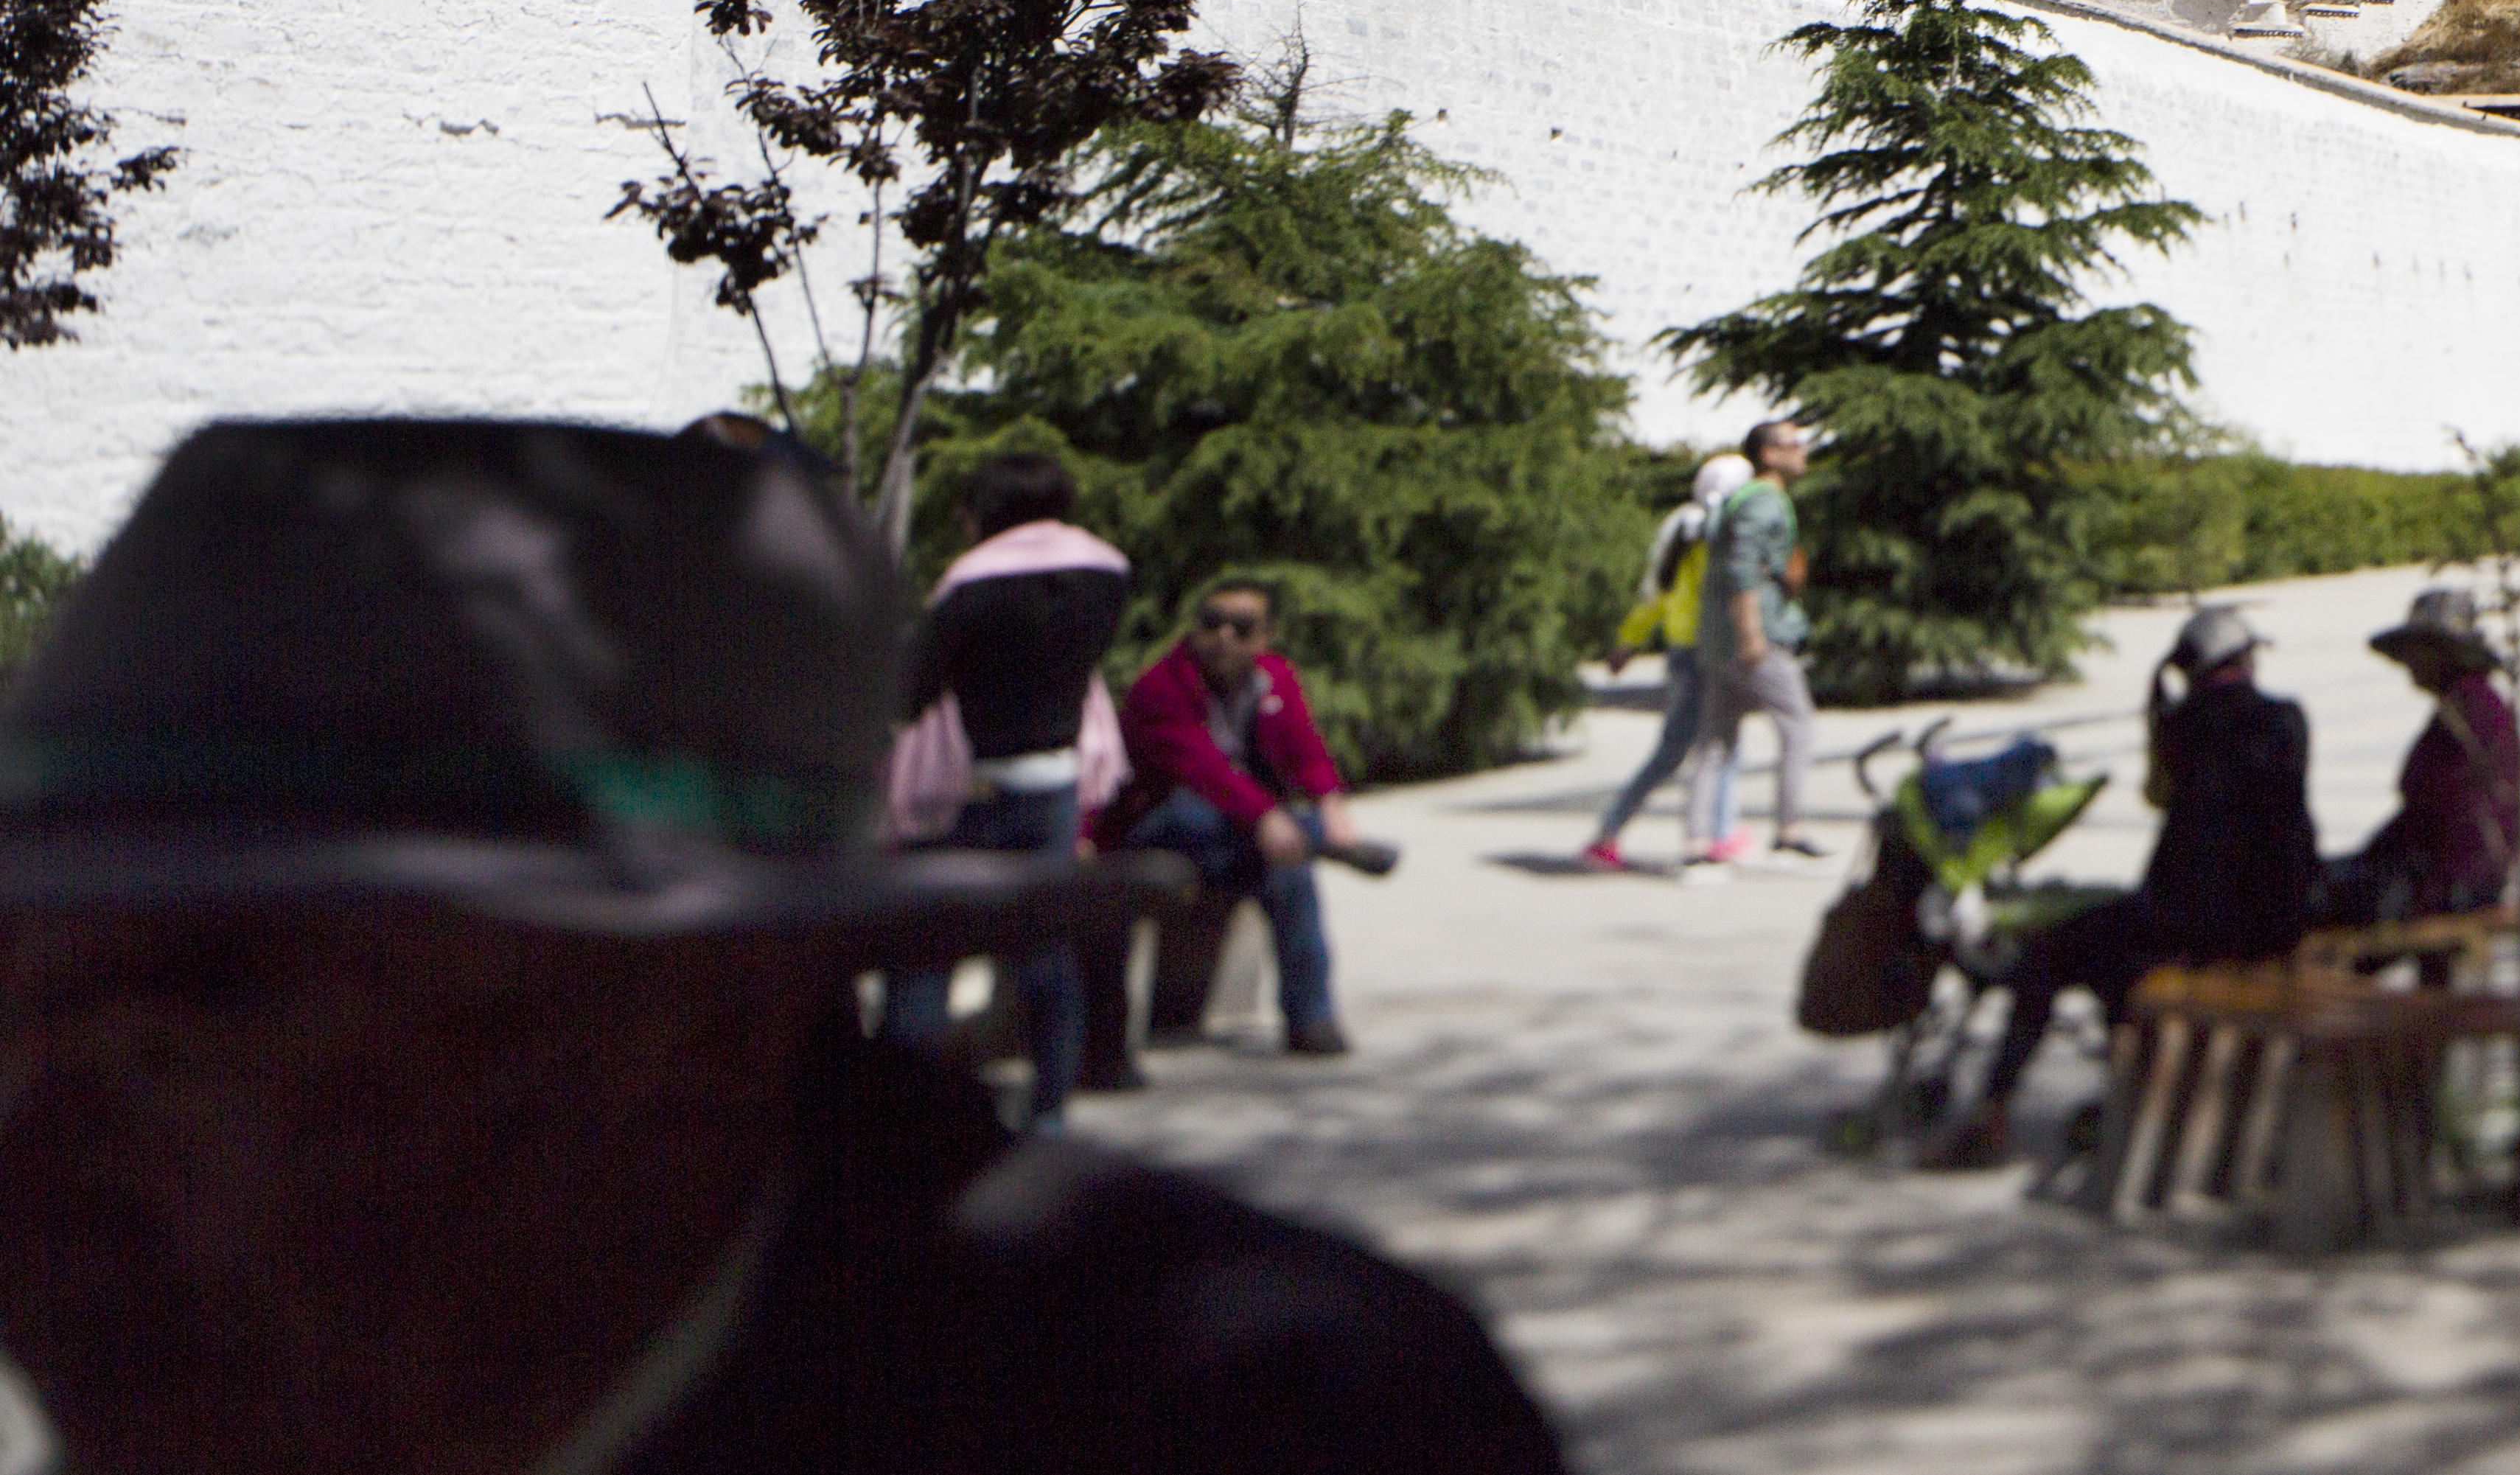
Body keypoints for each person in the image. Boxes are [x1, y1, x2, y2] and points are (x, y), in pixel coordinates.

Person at [0, 418, 1566, 1474]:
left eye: (210, 989)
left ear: (713, 1014)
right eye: (8, 990)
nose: (45, 1125)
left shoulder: (1262, 1410)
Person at [1921, 603, 2314, 1170]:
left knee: (2050, 954)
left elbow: (2158, 795)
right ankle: (2120, 1093)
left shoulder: (2182, 723)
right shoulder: (2288, 719)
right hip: (2272, 918)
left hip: (2190, 919)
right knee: (2115, 949)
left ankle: (1996, 1109)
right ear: (2245, 658)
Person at [874, 450, 1130, 1130]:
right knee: (1045, 949)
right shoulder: (1107, 572)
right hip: (1054, 784)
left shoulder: (971, 582)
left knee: (927, 954)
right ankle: (1050, 1109)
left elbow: (914, 689)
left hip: (966, 791)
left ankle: (905, 1119)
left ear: (984, 511)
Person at [1106, 577, 1394, 1057]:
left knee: (1288, 866)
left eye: (1241, 627)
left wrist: (1331, 804)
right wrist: (1268, 818)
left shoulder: (1275, 678)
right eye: (1211, 623)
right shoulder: (1162, 686)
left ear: (1265, 636)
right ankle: (1322, 842)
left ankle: (1311, 1018)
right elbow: (1202, 769)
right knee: (1205, 815)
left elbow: (1307, 751)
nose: (1223, 637)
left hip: (1233, 831)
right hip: (1155, 823)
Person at [1582, 450, 1753, 872]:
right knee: (1697, 747)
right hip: (1711, 650)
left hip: (1685, 649)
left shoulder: (1679, 524)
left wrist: (1628, 641)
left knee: (1710, 746)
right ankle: (1612, 831)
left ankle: (1720, 830)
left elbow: (1654, 591)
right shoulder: (1724, 528)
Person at [2316, 585, 2520, 931]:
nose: (2409, 661)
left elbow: (2446, 813)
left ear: (2442, 652)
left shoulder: (2471, 710)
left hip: (2453, 884)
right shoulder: (2466, 705)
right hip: (2451, 875)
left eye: (2418, 649)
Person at [1681, 417, 1821, 871]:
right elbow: (1742, 567)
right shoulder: (1764, 501)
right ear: (1768, 454)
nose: (1803, 450)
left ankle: (1698, 843)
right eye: (1792, 443)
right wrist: (1752, 633)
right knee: (1797, 726)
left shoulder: (1743, 501)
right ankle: (1788, 830)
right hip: (1756, 637)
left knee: (1716, 742)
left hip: (1719, 638)